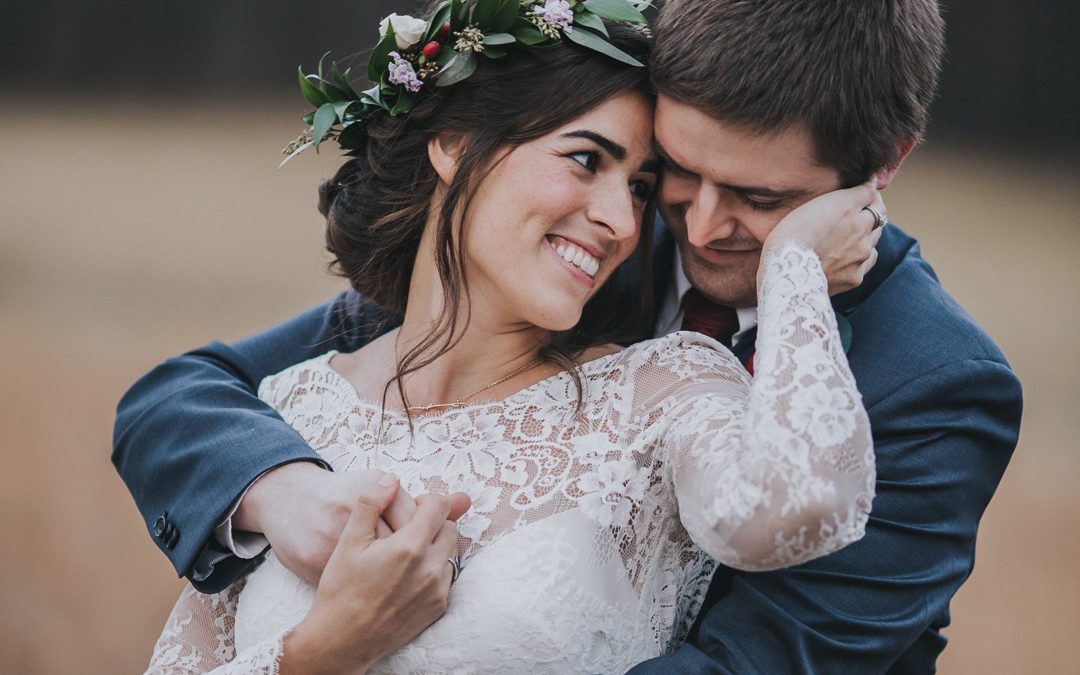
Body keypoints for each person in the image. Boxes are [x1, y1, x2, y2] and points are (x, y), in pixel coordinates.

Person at [114, 1, 1023, 673]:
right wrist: (281, 490)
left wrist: (794, 279)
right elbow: (188, 396)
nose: (696, 226)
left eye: (765, 200)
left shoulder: (937, 384)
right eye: (677, 172)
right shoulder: (550, 251)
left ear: (886, 164)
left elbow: (758, 666)